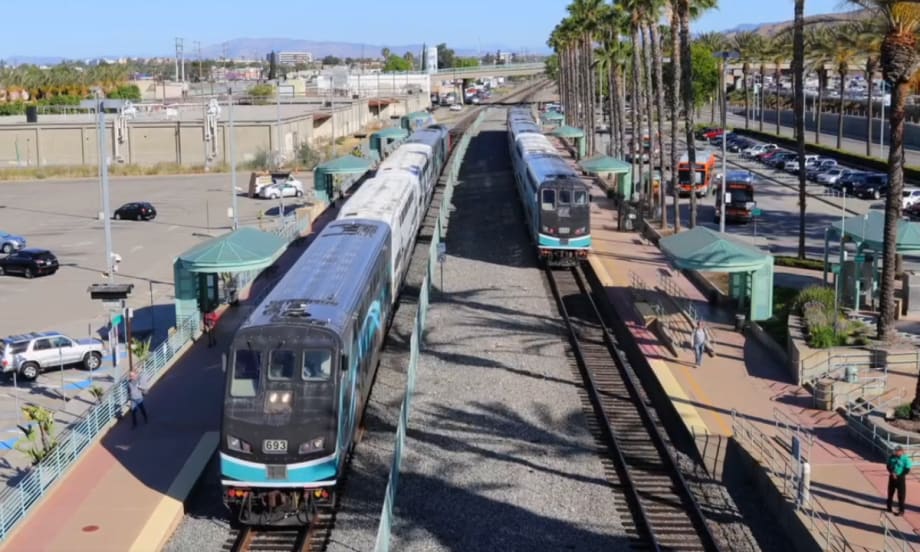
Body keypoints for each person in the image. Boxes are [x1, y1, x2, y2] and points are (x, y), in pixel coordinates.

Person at [887, 446, 912, 515]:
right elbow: (888, 466)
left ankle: (901, 510)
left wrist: (899, 475)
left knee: (901, 495)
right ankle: (889, 507)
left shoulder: (905, 459)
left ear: (901, 451)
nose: (895, 452)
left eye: (897, 451)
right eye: (895, 451)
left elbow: (907, 469)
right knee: (890, 493)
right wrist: (892, 472)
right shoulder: (892, 457)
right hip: (892, 477)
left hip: (900, 478)